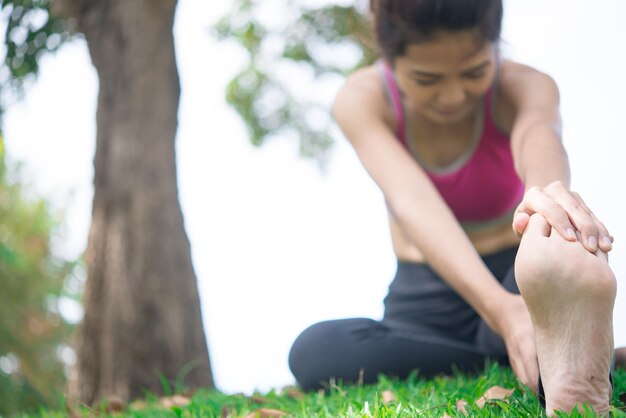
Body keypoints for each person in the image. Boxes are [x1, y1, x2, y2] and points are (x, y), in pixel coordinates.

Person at [288, 0, 620, 415]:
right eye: (427, 78)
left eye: (474, 72)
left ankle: (555, 354)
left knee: (548, 283)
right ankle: (531, 355)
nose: (453, 95)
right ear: (388, 59)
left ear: (495, 48)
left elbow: (539, 136)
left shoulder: (527, 85)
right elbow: (412, 202)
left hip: (516, 277)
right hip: (424, 304)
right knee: (316, 351)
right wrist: (503, 314)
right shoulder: (361, 99)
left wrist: (547, 198)